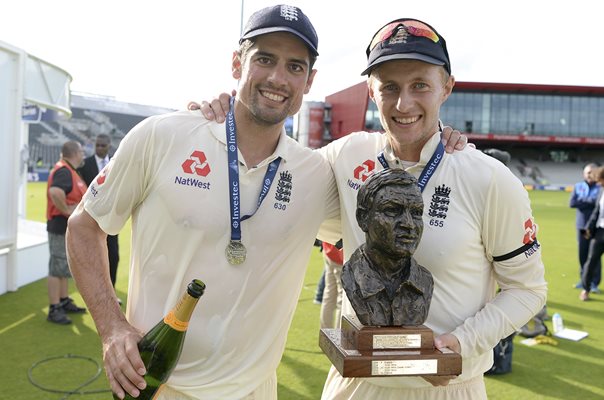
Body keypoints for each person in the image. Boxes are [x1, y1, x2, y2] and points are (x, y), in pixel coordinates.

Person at [194, 16, 547, 399]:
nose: (403, 103)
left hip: (446, 387)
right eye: (390, 87)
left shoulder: (488, 178)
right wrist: (229, 115)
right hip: (355, 384)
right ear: (371, 90)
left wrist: (463, 342)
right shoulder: (346, 156)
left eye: (420, 86)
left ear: (446, 87)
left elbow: (527, 291)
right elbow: (267, 167)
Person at [66, 5, 341, 399]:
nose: (278, 78)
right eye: (264, 59)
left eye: (295, 67)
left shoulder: (316, 173)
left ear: (310, 80)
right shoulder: (163, 136)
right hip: (157, 386)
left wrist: (442, 141)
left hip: (255, 391)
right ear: (236, 63)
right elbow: (84, 226)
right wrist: (112, 327)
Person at [342, 169, 433, 327]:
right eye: (392, 210)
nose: (409, 224)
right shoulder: (351, 275)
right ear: (363, 218)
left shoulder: (424, 281)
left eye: (416, 213)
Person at [46, 140, 87, 325]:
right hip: (59, 226)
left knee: (62, 266)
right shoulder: (64, 170)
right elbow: (55, 192)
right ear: (75, 152)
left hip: (64, 227)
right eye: (82, 151)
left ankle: (62, 301)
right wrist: (67, 210)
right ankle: (54, 308)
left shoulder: (68, 170)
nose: (83, 155)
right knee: (57, 267)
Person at [77, 134, 120, 290]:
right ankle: (94, 289)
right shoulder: (84, 165)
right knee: (90, 256)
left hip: (111, 217)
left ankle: (111, 290)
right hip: (89, 218)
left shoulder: (117, 164)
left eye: (103, 145)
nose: (100, 148)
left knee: (113, 256)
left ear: (109, 145)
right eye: (98, 145)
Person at [570, 163, 601, 293]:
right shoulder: (578, 186)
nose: (589, 175)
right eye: (587, 172)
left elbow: (597, 205)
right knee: (583, 254)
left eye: (592, 172)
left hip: (596, 226)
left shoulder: (600, 187)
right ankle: (583, 281)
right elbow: (572, 203)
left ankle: (594, 283)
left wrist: (583, 202)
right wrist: (589, 202)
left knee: (594, 255)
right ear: (584, 173)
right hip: (582, 226)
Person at [579, 166, 604, 301]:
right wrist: (588, 228)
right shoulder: (601, 191)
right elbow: (596, 212)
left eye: (600, 180)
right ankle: (586, 289)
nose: (598, 183)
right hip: (599, 232)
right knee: (591, 262)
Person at [319, 240, 344, 329]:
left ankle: (325, 334)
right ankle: (338, 337)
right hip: (339, 254)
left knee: (329, 295)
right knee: (342, 300)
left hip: (329, 250)